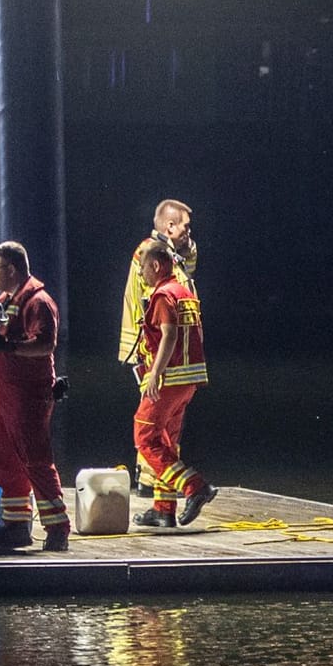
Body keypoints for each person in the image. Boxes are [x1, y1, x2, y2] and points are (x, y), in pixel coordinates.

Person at [0, 241, 71, 553]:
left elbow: (45, 344)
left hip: (27, 394)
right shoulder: (6, 300)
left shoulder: (39, 302)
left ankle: (57, 527)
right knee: (4, 458)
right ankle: (16, 525)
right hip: (1, 393)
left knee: (35, 459)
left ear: (11, 269)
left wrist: (9, 349)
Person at [132, 239, 218, 529]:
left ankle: (195, 487)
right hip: (188, 380)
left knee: (144, 436)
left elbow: (168, 335)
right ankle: (163, 509)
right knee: (167, 440)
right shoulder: (186, 293)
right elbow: (197, 337)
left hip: (168, 380)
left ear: (155, 265)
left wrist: (155, 372)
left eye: (142, 268)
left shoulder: (163, 295)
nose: (141, 274)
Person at [120, 199, 198, 501]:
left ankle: (161, 492)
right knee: (152, 423)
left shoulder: (171, 254)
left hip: (169, 352)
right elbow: (164, 296)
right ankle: (166, 482)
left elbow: (188, 269)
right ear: (169, 226)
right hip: (151, 350)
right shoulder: (151, 253)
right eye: (185, 227)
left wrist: (187, 248)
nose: (189, 233)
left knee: (164, 422)